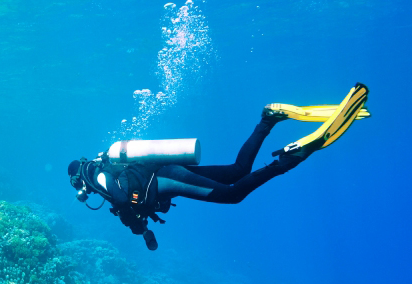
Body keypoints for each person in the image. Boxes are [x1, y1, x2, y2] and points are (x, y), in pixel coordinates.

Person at [67, 83, 369, 250]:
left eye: (77, 187)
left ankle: (289, 159)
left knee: (233, 194)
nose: (82, 192)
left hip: (165, 180)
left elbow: (121, 200)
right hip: (165, 172)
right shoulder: (104, 163)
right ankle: (267, 119)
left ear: (77, 179)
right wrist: (143, 229)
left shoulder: (96, 177)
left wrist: (131, 222)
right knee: (237, 170)